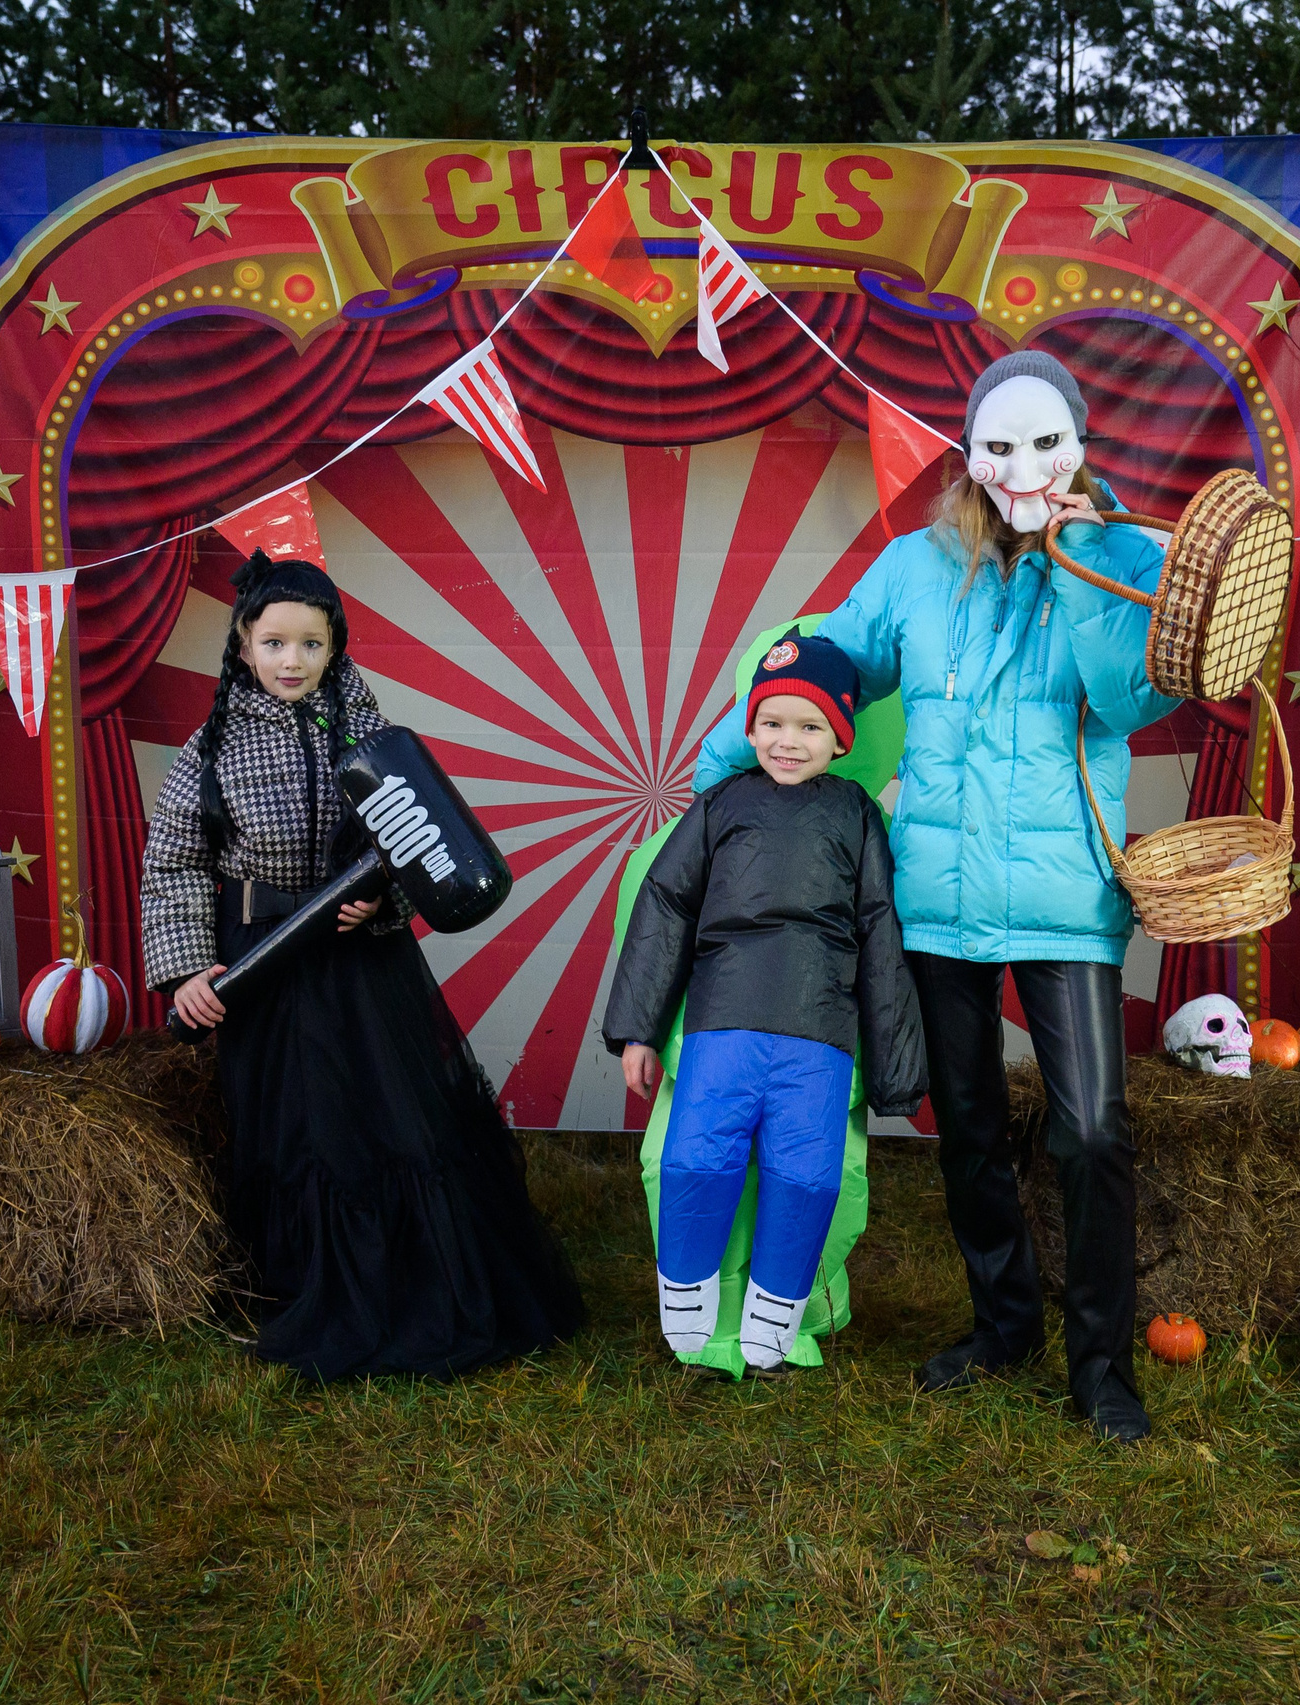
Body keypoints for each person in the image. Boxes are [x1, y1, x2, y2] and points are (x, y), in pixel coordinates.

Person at [694, 351, 1181, 1443]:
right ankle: (1004, 1321)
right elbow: (830, 664)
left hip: (1064, 896)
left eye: (1043, 442)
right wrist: (722, 754)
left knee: (1092, 1128)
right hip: (939, 897)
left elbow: (1129, 694)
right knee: (960, 1118)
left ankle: (1101, 1367)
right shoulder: (914, 568)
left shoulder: (1121, 558)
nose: (1020, 467)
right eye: (998, 446)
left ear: (1080, 445)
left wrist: (1076, 552)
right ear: (967, 452)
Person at [142, 553, 585, 1381]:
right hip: (264, 969)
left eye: (312, 644)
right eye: (274, 642)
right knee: (297, 1125)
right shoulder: (212, 751)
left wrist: (383, 904)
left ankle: (413, 1283)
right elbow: (171, 864)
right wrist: (186, 971)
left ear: (334, 647)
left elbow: (417, 841)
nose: (292, 661)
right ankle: (310, 1282)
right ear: (242, 643)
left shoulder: (363, 729)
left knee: (382, 1117)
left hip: (363, 970)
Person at [602, 634, 926, 1369]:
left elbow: (880, 935)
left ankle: (775, 1315)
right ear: (748, 729)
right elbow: (665, 905)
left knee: (807, 1174)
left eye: (811, 727)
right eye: (773, 723)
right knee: (695, 1158)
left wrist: (897, 1069)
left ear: (840, 739)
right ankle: (687, 1298)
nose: (789, 741)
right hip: (724, 1022)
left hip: (819, 1031)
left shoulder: (856, 816)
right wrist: (639, 1030)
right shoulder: (721, 806)